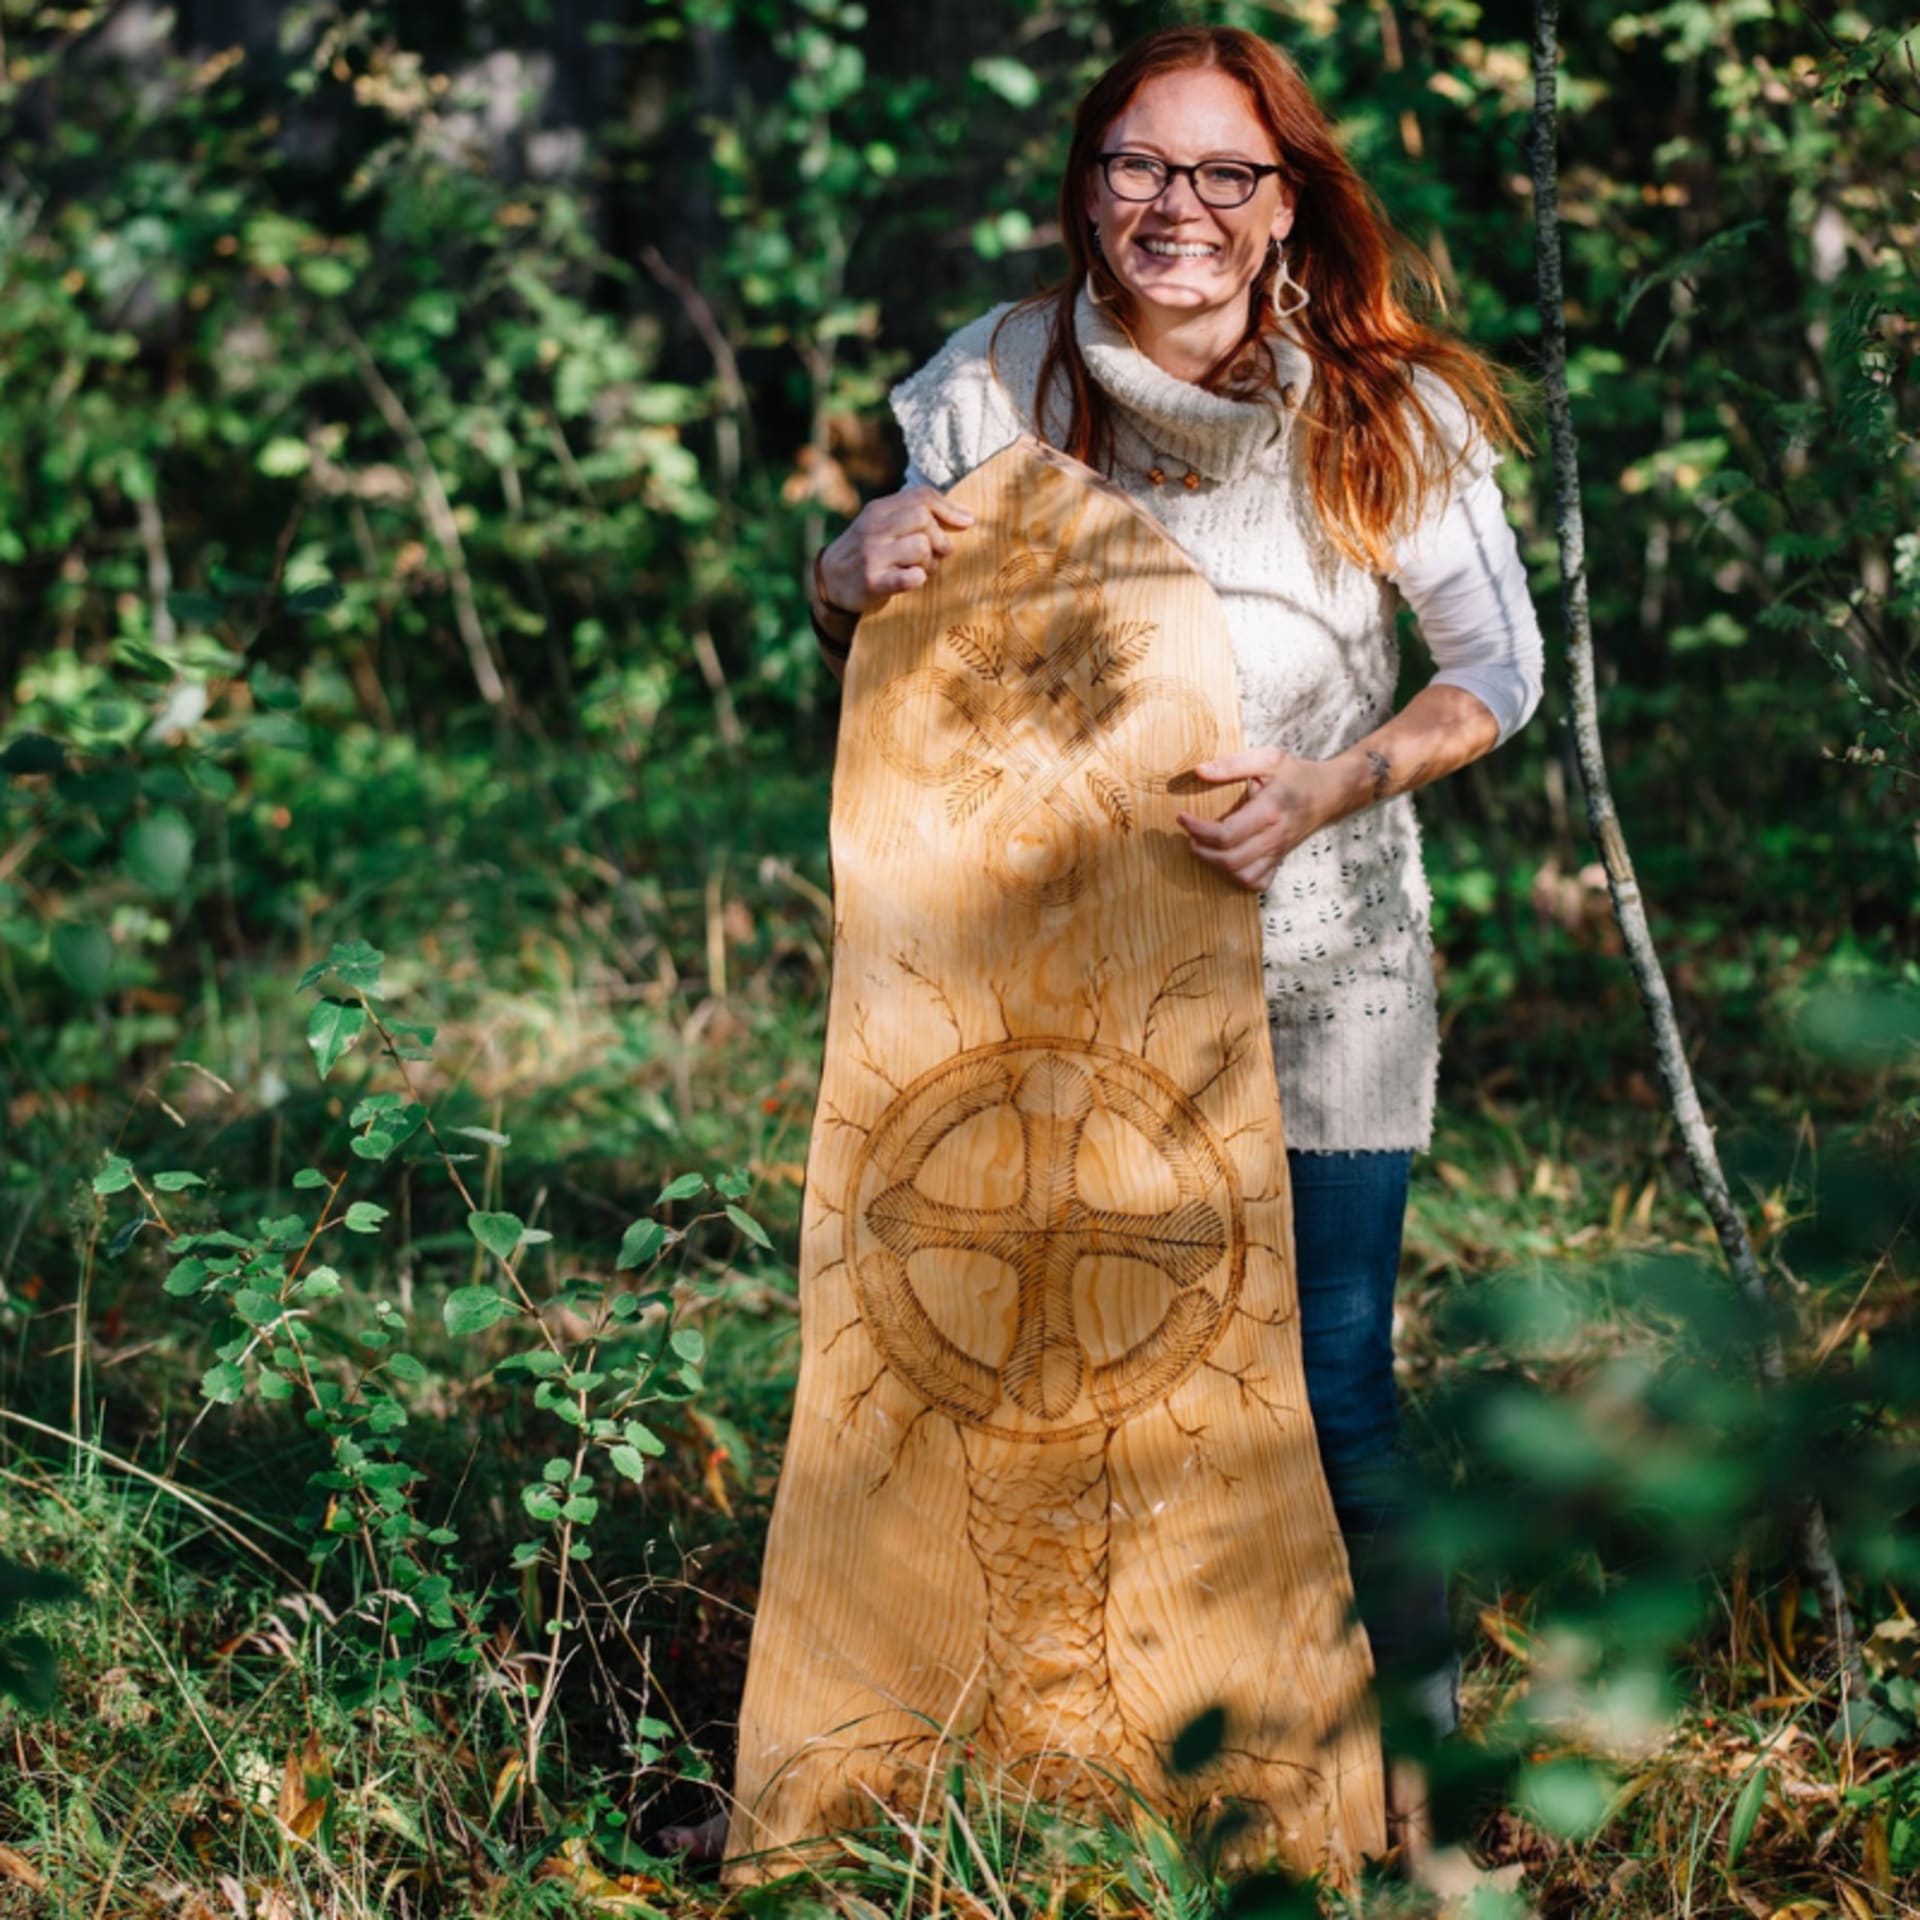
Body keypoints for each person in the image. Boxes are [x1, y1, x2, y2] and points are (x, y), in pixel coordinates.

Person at [737, 21, 1542, 1868]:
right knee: (1044, 1382)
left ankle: (1419, 1821)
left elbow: (1498, 670)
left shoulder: (1381, 410)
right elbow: (903, 644)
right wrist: (834, 576)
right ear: (1088, 180)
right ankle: (1079, 1765)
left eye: (1223, 176)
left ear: (1286, 209)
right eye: (1139, 166)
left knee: (1322, 1376)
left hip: (1312, 956)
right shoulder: (991, 384)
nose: (1176, 208)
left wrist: (1340, 781)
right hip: (1039, 976)